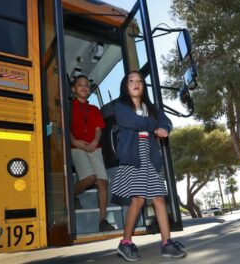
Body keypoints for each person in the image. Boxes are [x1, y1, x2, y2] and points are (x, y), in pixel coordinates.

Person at [111, 71, 187, 261]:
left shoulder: (151, 108)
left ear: (143, 87)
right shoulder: (121, 106)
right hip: (133, 158)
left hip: (150, 158)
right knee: (138, 199)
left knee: (159, 198)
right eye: (131, 81)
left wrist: (165, 128)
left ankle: (167, 243)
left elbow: (166, 121)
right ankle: (125, 243)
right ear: (125, 86)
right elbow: (134, 122)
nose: (136, 83)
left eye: (140, 81)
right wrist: (154, 125)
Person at [70, 75, 115, 232]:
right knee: (90, 178)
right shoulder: (68, 108)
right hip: (77, 148)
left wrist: (96, 142)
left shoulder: (94, 109)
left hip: (95, 148)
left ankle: (102, 221)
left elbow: (98, 129)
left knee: (103, 182)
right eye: (80, 85)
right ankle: (70, 195)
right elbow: (65, 129)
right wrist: (75, 141)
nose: (84, 87)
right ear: (73, 89)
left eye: (87, 85)